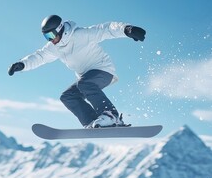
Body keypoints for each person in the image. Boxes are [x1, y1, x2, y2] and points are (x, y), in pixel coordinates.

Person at [8, 15, 146, 128]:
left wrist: (127, 30)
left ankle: (111, 115)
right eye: (46, 37)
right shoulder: (54, 47)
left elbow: (106, 29)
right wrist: (22, 64)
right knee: (68, 96)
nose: (51, 40)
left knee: (84, 84)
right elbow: (40, 57)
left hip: (103, 70)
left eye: (51, 35)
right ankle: (92, 122)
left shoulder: (80, 34)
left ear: (60, 29)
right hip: (86, 79)